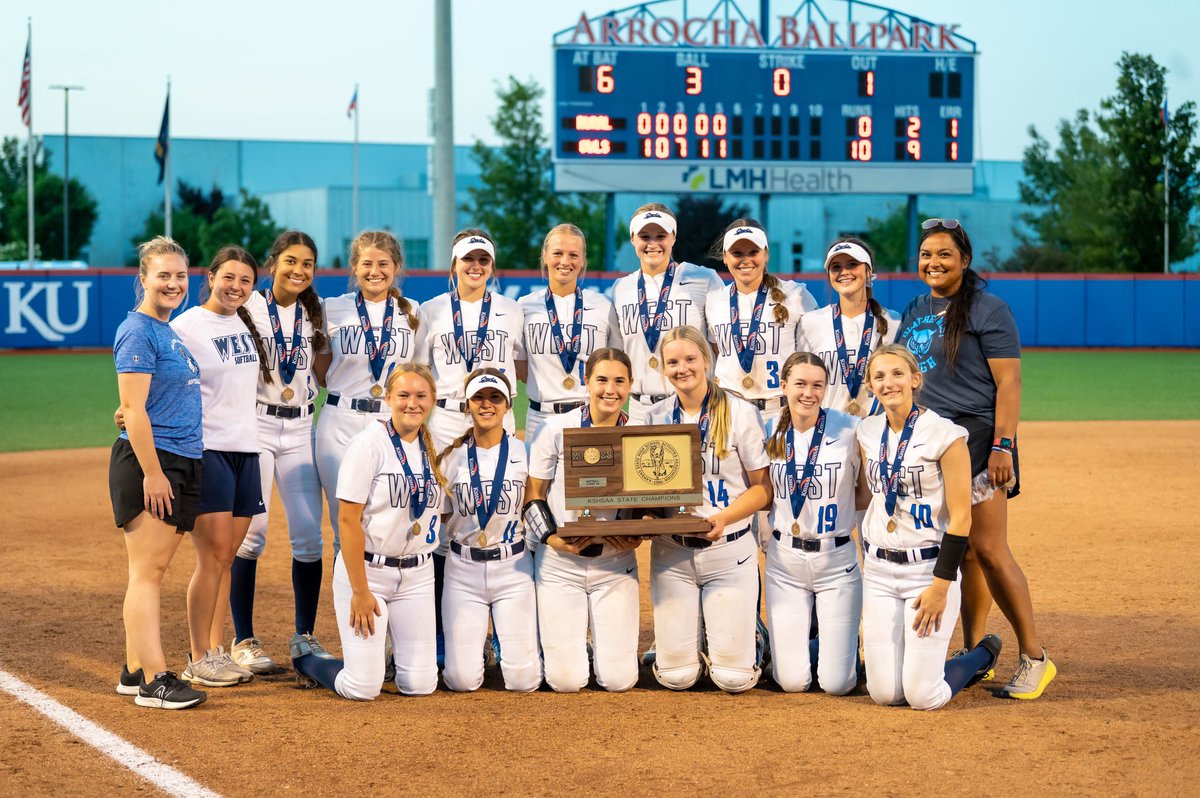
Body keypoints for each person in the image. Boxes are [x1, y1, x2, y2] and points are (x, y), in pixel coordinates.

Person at [897, 218, 1055, 700]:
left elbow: (1010, 383)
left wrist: (1004, 445)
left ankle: (1035, 658)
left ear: (964, 260)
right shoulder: (916, 307)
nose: (934, 263)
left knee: (988, 548)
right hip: (933, 442)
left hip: (982, 440)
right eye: (926, 255)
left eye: (944, 254)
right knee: (961, 550)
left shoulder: (989, 308)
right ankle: (974, 654)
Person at [855, 343, 1002, 710]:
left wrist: (941, 585)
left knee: (923, 697)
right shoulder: (866, 431)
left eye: (897, 374)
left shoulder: (946, 435)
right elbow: (870, 497)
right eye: (879, 376)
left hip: (927, 571)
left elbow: (962, 517)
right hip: (878, 571)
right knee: (886, 694)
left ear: (915, 379)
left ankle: (980, 655)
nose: (889, 383)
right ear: (871, 386)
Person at [291, 364, 445, 699]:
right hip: (367, 572)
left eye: (421, 396)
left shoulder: (435, 449)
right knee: (362, 687)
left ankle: (382, 658)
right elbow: (347, 521)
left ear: (433, 400)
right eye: (403, 395)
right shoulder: (368, 445)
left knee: (420, 685)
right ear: (388, 398)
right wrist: (360, 591)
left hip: (417, 576)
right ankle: (308, 657)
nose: (412, 403)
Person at [645, 326, 772, 693]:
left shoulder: (739, 412)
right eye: (672, 362)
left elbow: (762, 489)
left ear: (706, 360)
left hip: (728, 549)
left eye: (689, 359)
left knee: (734, 679)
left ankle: (752, 635)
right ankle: (694, 638)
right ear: (662, 368)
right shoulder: (653, 418)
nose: (681, 368)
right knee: (676, 677)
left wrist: (725, 517)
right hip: (672, 551)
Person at [110, 236, 207, 709]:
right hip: (156, 462)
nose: (173, 283)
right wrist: (152, 473)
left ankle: (132, 669)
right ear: (143, 278)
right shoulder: (138, 330)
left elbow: (138, 403)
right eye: (163, 275)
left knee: (155, 569)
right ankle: (154, 680)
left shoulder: (166, 330)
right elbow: (134, 408)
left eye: (180, 276)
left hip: (178, 459)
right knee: (146, 574)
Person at [169, 246, 270, 689]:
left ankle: (216, 649)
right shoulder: (187, 326)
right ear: (210, 277)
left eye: (246, 280)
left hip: (246, 450)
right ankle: (197, 655)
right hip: (207, 450)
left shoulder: (248, 322)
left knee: (227, 556)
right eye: (228, 277)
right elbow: (156, 376)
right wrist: (127, 410)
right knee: (211, 557)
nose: (236, 287)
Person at [230, 231, 330, 674]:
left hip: (302, 424)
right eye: (291, 261)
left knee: (309, 536)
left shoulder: (315, 312)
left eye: (307, 263)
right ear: (272, 264)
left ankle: (304, 636)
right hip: (258, 425)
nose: (299, 270)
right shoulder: (247, 304)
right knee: (252, 533)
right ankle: (243, 639)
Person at [526, 348, 642, 692]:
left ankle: (598, 651)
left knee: (620, 681)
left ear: (631, 385)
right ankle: (565, 650)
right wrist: (552, 539)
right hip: (561, 563)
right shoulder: (555, 428)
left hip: (616, 563)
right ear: (586, 382)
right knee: (565, 681)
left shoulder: (642, 431)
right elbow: (533, 497)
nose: (611, 390)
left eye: (619, 381)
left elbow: (655, 500)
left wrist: (639, 533)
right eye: (602, 380)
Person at [315, 231, 422, 553]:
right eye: (366, 264)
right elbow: (322, 369)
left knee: (386, 519)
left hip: (391, 424)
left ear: (397, 266)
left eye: (383, 264)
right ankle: (349, 601)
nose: (375, 271)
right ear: (354, 266)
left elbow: (416, 373)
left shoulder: (413, 311)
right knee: (343, 524)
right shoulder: (331, 308)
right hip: (340, 422)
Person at [763, 352, 862, 694]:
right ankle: (782, 644)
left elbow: (865, 491)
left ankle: (841, 648)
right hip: (784, 564)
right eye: (800, 384)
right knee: (792, 682)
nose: (809, 393)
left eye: (817, 385)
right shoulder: (766, 430)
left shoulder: (851, 430)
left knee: (838, 684)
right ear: (783, 384)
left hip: (836, 562)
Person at [437, 369, 540, 692]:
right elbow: (440, 516)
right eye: (479, 398)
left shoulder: (524, 453)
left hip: (512, 568)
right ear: (467, 404)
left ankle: (512, 645)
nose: (486, 405)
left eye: (495, 397)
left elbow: (535, 508)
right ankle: (480, 644)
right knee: (460, 681)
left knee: (524, 681)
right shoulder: (450, 457)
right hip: (463, 569)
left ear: (508, 404)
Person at [611, 204, 723, 424]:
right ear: (633, 239)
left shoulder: (704, 279)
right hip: (639, 409)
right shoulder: (621, 288)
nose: (652, 244)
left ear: (673, 237)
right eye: (644, 236)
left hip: (691, 406)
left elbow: (719, 348)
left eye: (661, 235)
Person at [417, 229, 523, 451]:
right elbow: (419, 370)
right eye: (468, 258)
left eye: (483, 260)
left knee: (500, 484)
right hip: (448, 420)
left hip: (498, 416)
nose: (476, 266)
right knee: (445, 486)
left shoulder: (512, 309)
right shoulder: (430, 310)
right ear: (454, 264)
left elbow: (521, 366)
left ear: (492, 267)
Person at [517, 223, 620, 449]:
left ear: (583, 260)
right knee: (538, 484)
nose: (565, 261)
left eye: (574, 255)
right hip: (540, 417)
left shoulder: (603, 306)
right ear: (544, 256)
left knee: (591, 482)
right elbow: (522, 367)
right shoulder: (524, 306)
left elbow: (615, 364)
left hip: (589, 416)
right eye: (558, 253)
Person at [706, 219, 816, 417]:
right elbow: (716, 351)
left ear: (766, 254)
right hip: (728, 410)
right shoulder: (715, 299)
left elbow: (814, 353)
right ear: (724, 257)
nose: (745, 260)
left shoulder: (795, 294)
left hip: (780, 410)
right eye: (737, 253)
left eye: (753, 252)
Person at [799, 237, 900, 417]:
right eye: (836, 267)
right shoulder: (811, 322)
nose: (844, 272)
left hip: (878, 431)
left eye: (852, 264)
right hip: (828, 433)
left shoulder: (894, 322)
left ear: (869, 272)